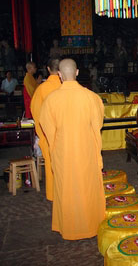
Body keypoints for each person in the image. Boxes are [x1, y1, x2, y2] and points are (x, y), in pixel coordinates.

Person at [39, 59, 105, 240]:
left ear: (59, 75)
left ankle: (69, 228)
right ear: (77, 73)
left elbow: (47, 129)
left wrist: (56, 148)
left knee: (67, 190)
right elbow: (97, 125)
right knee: (88, 188)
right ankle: (91, 226)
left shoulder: (51, 100)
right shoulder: (91, 97)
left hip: (63, 153)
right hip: (87, 151)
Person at [30, 58, 61, 202]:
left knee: (51, 165)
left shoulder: (42, 89)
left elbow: (35, 111)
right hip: (66, 134)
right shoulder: (65, 87)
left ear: (48, 69)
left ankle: (53, 194)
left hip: (49, 134)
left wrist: (41, 133)